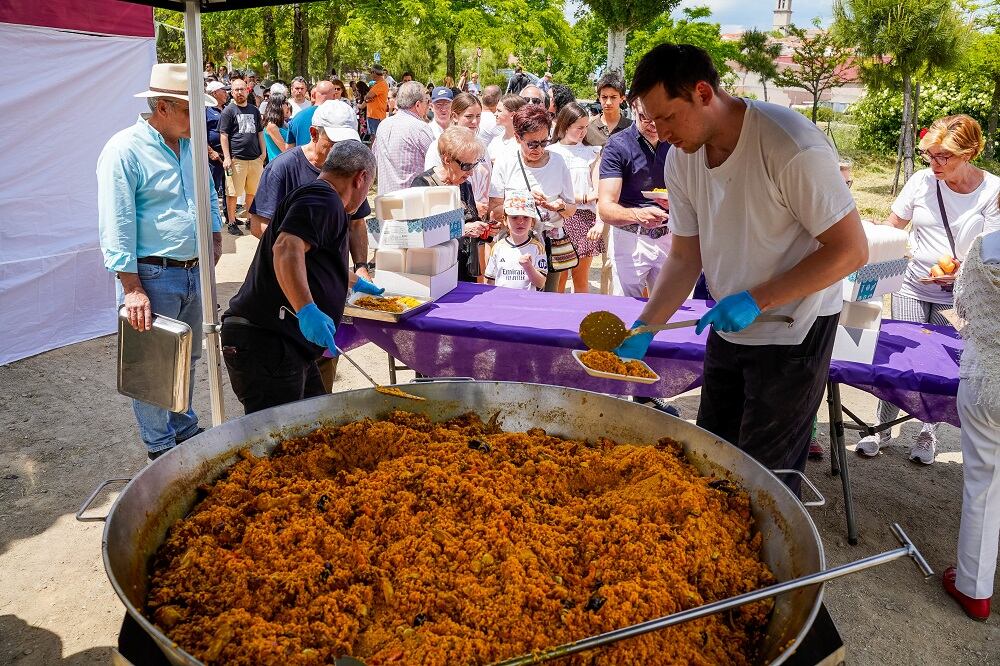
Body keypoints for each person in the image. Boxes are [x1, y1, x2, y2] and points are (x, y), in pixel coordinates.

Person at [617, 43, 868, 494]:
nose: (661, 132)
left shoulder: (789, 145)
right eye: (652, 121)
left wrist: (758, 299)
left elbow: (850, 251)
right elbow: (684, 256)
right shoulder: (681, 157)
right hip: (729, 324)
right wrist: (645, 326)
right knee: (712, 456)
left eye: (668, 117)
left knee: (762, 479)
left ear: (702, 92)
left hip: (795, 327)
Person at [96, 63, 222, 462]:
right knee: (154, 365)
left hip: (190, 269)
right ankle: (160, 448)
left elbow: (209, 194)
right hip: (151, 273)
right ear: (163, 107)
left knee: (186, 355)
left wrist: (214, 234)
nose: (197, 118)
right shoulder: (124, 149)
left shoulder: (190, 146)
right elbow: (116, 221)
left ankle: (183, 429)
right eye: (189, 110)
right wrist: (131, 287)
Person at [857, 114, 1000, 463]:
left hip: (961, 293)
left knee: (939, 364)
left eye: (943, 157)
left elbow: (992, 250)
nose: (934, 164)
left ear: (968, 153)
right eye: (929, 155)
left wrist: (963, 273)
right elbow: (893, 228)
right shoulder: (921, 182)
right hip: (911, 284)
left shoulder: (992, 190)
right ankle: (879, 428)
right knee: (900, 359)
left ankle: (926, 433)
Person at [222, 141, 383, 414]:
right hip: (268, 341)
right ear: (361, 178)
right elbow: (286, 248)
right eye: (368, 189)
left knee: (312, 426)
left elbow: (311, 260)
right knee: (281, 443)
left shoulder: (315, 196)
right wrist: (306, 309)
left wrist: (353, 280)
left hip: (287, 345)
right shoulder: (324, 199)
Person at [943, 228, 1000, 621]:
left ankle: (975, 588)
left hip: (984, 377)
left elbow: (962, 306)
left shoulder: (985, 243)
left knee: (983, 484)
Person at [489, 104, 576, 293]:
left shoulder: (558, 162)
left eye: (544, 142)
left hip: (549, 242)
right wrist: (523, 200)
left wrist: (558, 207)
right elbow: (494, 210)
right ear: (518, 138)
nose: (539, 149)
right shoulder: (506, 161)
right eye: (532, 144)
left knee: (548, 298)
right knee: (510, 298)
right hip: (514, 244)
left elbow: (571, 209)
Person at [597, 97, 672, 298]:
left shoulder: (676, 141)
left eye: (660, 118)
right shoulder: (618, 145)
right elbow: (605, 207)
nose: (654, 125)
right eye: (645, 118)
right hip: (630, 238)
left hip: (671, 236)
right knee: (625, 311)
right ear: (632, 107)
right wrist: (637, 215)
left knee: (673, 312)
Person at [412, 126, 492, 282]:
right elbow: (417, 230)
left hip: (464, 270)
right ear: (447, 160)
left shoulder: (464, 185)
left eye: (474, 165)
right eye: (467, 166)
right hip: (435, 271)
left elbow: (471, 223)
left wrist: (485, 230)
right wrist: (462, 229)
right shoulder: (423, 184)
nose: (471, 173)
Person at [549, 103, 603, 294]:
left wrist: (598, 221)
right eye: (579, 127)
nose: (583, 132)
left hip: (585, 220)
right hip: (559, 219)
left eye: (586, 127)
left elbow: (598, 192)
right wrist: (583, 197)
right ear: (564, 126)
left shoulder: (592, 152)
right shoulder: (551, 152)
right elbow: (552, 191)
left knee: (581, 278)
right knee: (559, 279)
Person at [424, 92, 491, 216]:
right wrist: (471, 207)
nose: (475, 122)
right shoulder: (438, 146)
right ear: (455, 116)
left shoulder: (481, 145)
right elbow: (434, 186)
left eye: (478, 116)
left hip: (479, 220)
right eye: (469, 116)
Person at [220, 77, 266, 237]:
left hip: (255, 159)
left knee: (252, 192)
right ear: (232, 92)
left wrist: (263, 153)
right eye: (236, 89)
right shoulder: (228, 111)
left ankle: (249, 219)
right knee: (232, 193)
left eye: (242, 89)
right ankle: (232, 221)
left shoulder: (254, 110)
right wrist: (227, 157)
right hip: (236, 159)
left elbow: (260, 132)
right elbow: (224, 135)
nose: (240, 92)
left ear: (247, 90)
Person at [372, 81, 435, 196]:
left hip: (385, 200)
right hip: (411, 203)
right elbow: (436, 163)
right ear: (417, 105)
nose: (429, 106)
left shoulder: (383, 125)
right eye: (427, 101)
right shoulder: (420, 128)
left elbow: (375, 157)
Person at [485, 190, 548, 290]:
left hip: (526, 303)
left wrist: (528, 267)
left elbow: (541, 283)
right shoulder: (498, 247)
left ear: (532, 222)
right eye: (514, 217)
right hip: (502, 302)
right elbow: (489, 281)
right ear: (505, 220)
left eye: (526, 217)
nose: (520, 221)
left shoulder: (537, 248)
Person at [585, 71, 633, 147]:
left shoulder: (632, 128)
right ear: (599, 98)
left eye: (613, 97)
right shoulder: (588, 127)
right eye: (604, 97)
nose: (608, 102)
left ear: (622, 98)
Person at [286, 80, 336, 148]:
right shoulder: (340, 116)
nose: (299, 91)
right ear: (334, 96)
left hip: (303, 157)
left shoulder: (297, 118)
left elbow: (289, 149)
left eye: (302, 88)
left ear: (314, 95)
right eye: (297, 88)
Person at [205, 81, 229, 220]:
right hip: (213, 158)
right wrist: (210, 151)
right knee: (213, 187)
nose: (226, 93)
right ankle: (212, 217)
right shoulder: (206, 110)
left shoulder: (227, 109)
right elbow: (201, 133)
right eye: (223, 90)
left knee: (229, 188)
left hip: (228, 156)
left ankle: (229, 216)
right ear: (214, 93)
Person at [487, 93, 528, 162]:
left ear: (513, 115)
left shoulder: (526, 143)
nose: (495, 114)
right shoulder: (496, 140)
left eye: (499, 111)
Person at [261, 92, 291, 161]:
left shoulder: (283, 123)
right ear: (278, 106)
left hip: (287, 163)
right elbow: (285, 150)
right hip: (279, 165)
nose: (287, 106)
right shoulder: (271, 126)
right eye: (285, 103)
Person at [365, 64, 390, 136]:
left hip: (376, 116)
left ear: (374, 72)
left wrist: (367, 98)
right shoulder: (378, 84)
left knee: (375, 139)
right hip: (374, 116)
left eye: (371, 72)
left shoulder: (381, 84)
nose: (370, 74)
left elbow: (367, 96)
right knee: (374, 138)